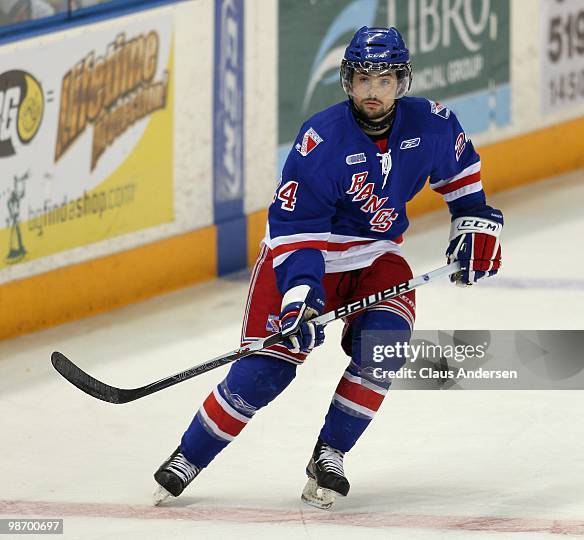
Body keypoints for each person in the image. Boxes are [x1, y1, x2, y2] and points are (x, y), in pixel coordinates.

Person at [153, 26, 503, 510]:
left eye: (384, 80)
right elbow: (297, 231)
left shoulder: (433, 124)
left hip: (376, 257)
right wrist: (300, 297)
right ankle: (188, 457)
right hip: (306, 259)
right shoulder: (322, 139)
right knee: (263, 374)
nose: (373, 91)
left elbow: (463, 181)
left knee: (385, 349)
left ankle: (330, 455)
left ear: (402, 81)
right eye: (363, 79)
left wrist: (473, 222)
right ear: (347, 82)